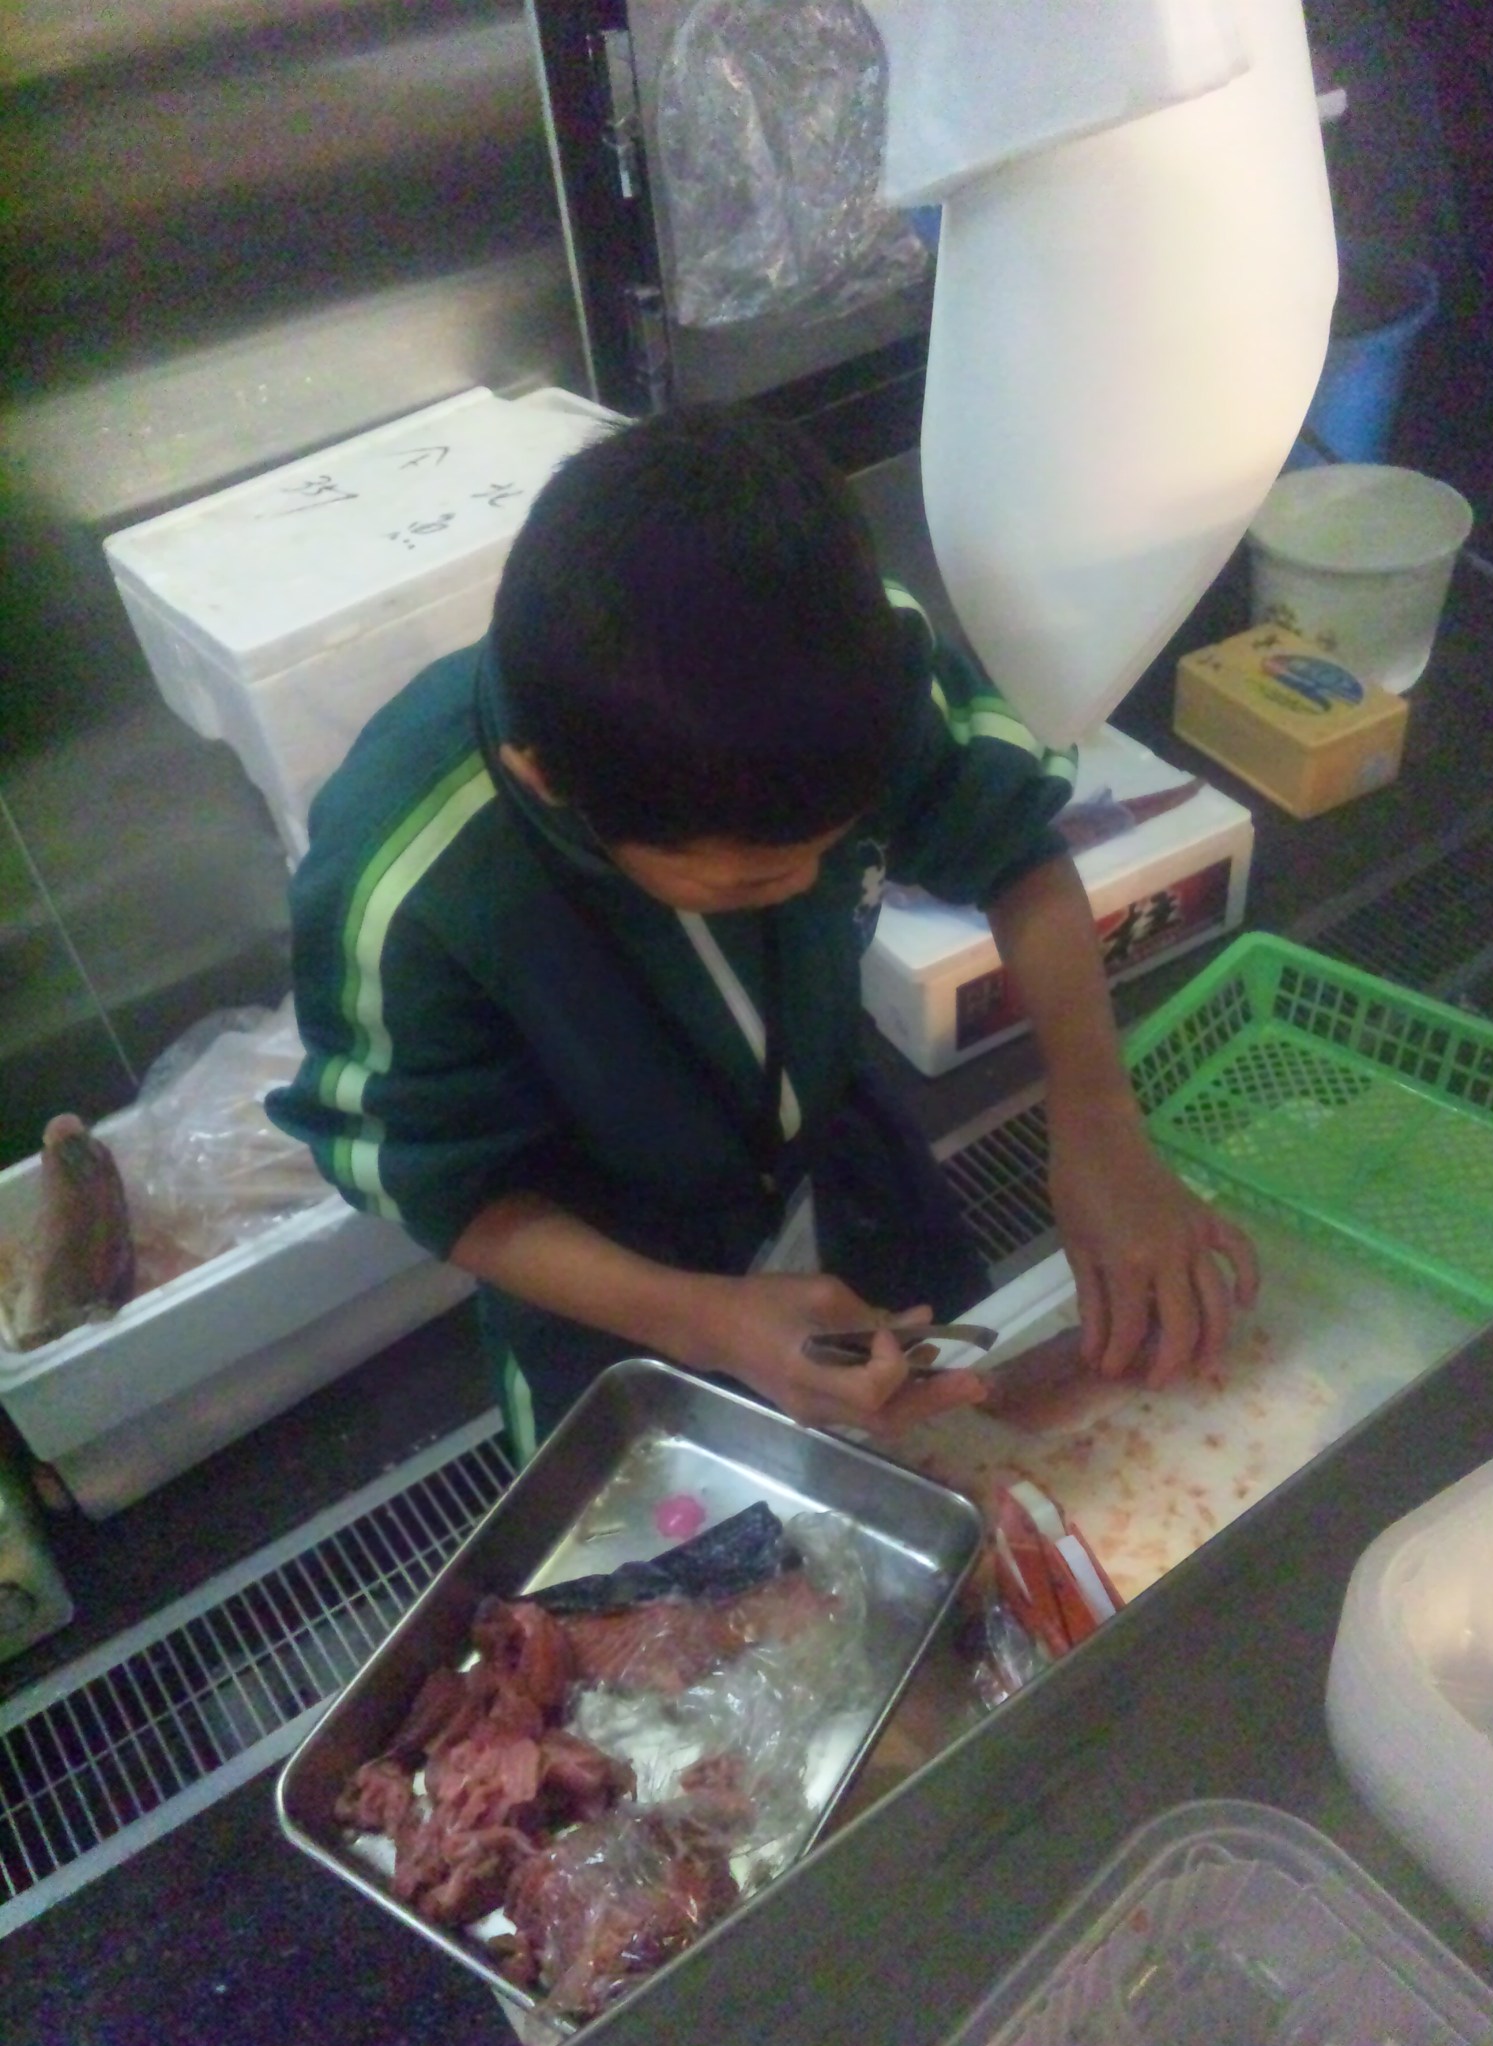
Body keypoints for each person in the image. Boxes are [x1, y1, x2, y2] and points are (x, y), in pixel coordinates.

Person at [268, 405, 1257, 1463]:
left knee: (973, 1451)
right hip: (609, 1279)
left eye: (834, 850)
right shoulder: (410, 880)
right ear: (547, 780)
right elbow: (445, 1185)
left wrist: (1098, 1119)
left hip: (839, 1157)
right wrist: (707, 1320)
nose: (805, 885)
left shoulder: (854, 659)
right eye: (751, 878)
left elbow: (1015, 852)